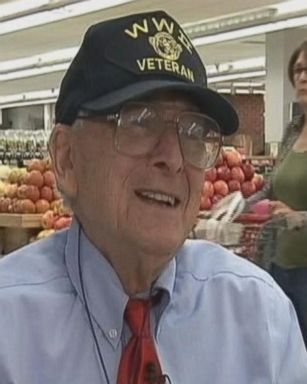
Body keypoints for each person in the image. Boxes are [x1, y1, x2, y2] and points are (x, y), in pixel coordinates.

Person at [0, 10, 306, 384]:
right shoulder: (9, 330)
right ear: (66, 158)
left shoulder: (259, 317)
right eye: (139, 122)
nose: (175, 158)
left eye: (195, 132)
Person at [247, 40, 307, 349]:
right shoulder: (293, 131)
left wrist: (300, 217)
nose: (302, 77)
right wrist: (230, 208)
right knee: (282, 353)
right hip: (279, 264)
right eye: (298, 70)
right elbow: (270, 191)